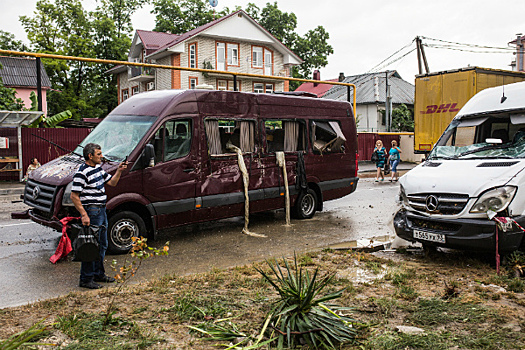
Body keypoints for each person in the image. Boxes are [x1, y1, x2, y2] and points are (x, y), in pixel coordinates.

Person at [70, 143, 127, 289]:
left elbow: (112, 183)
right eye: (99, 154)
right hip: (92, 211)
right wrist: (84, 215)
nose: (102, 156)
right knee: (90, 246)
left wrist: (119, 171)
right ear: (90, 156)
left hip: (101, 210)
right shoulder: (82, 173)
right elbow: (74, 196)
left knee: (102, 245)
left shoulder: (98, 169)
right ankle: (86, 279)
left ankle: (98, 274)